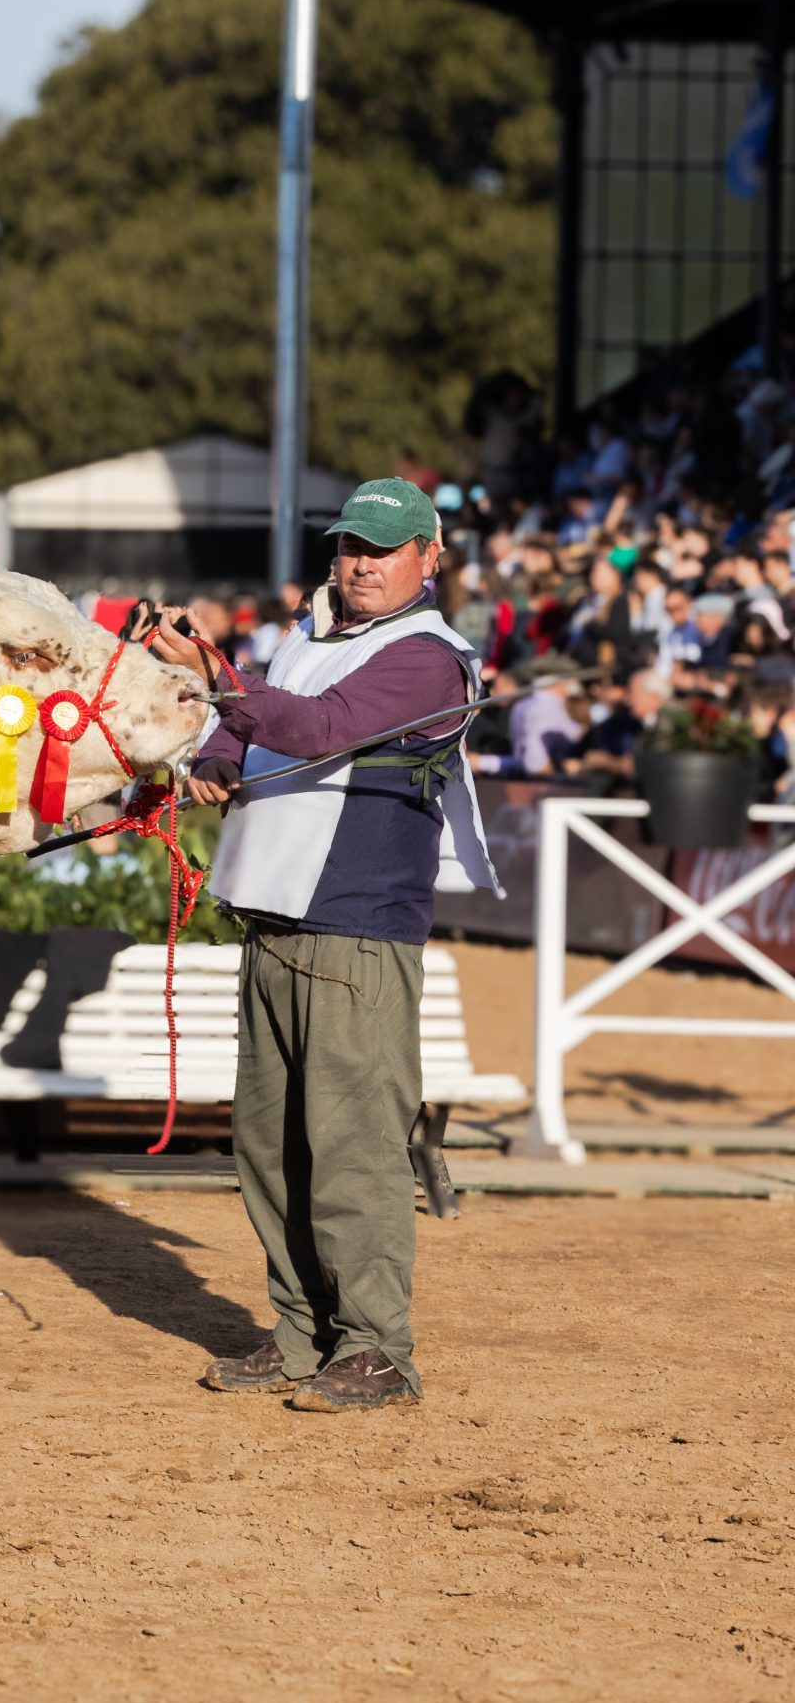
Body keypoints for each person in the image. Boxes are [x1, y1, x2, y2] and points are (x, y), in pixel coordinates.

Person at [150, 477, 500, 1413]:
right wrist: (221, 756)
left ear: (431, 558)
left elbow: (322, 728)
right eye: (350, 544)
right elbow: (260, 728)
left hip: (355, 930)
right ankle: (303, 1335)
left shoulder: (428, 657)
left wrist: (220, 676)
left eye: (383, 548)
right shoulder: (309, 636)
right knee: (269, 1149)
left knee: (353, 1153)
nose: (360, 562)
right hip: (274, 923)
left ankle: (380, 1348)